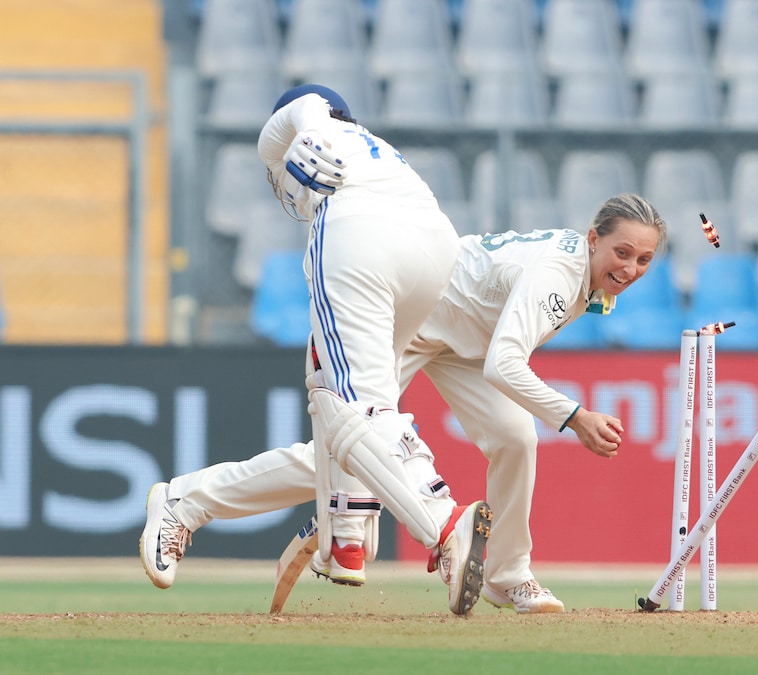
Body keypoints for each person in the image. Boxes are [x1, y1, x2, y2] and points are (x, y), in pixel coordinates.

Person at [140, 193, 667, 614]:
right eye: (622, 253)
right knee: (354, 454)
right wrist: (575, 417)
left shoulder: (589, 274)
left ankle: (508, 577)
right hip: (406, 321)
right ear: (593, 239)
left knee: (514, 438)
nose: (631, 268)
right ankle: (186, 501)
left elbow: (497, 349)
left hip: (464, 339)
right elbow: (506, 364)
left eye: (644, 259)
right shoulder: (558, 275)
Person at [141, 84, 491, 616]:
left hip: (361, 235)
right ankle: (345, 529)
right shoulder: (379, 151)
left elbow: (305, 109)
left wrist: (302, 128)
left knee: (355, 410)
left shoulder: (316, 124)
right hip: (433, 246)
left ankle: (442, 524)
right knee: (353, 407)